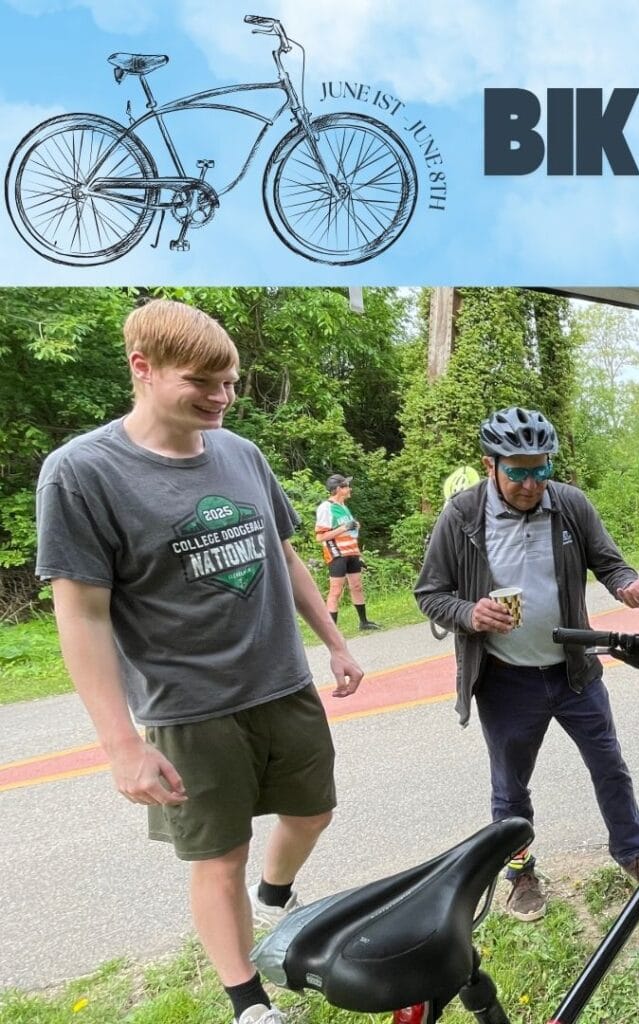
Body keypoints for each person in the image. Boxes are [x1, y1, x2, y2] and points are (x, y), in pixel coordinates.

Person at [35, 299, 365, 1024]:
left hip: (281, 684)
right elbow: (81, 616)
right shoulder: (82, 473)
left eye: (232, 382)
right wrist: (122, 746)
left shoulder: (241, 453)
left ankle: (274, 897)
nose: (221, 397)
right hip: (188, 707)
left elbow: (283, 556)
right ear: (142, 369)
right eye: (202, 381)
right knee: (220, 857)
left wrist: (334, 642)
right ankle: (249, 1003)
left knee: (314, 812)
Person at [415, 407, 639, 921]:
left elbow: (609, 561)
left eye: (541, 469)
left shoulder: (569, 504)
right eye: (518, 471)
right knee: (510, 786)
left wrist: (626, 585)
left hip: (573, 671)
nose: (531, 483)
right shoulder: (462, 516)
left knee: (610, 767)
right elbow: (430, 593)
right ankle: (520, 873)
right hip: (506, 680)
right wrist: (470, 612)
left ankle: (633, 855)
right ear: (491, 466)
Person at [315, 474, 381, 636]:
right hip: (337, 554)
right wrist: (344, 527)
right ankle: (332, 631)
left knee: (357, 586)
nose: (349, 489)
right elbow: (320, 536)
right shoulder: (326, 507)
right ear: (338, 489)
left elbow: (350, 534)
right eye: (346, 486)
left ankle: (364, 622)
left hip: (351, 552)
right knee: (336, 590)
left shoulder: (344, 507)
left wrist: (359, 555)